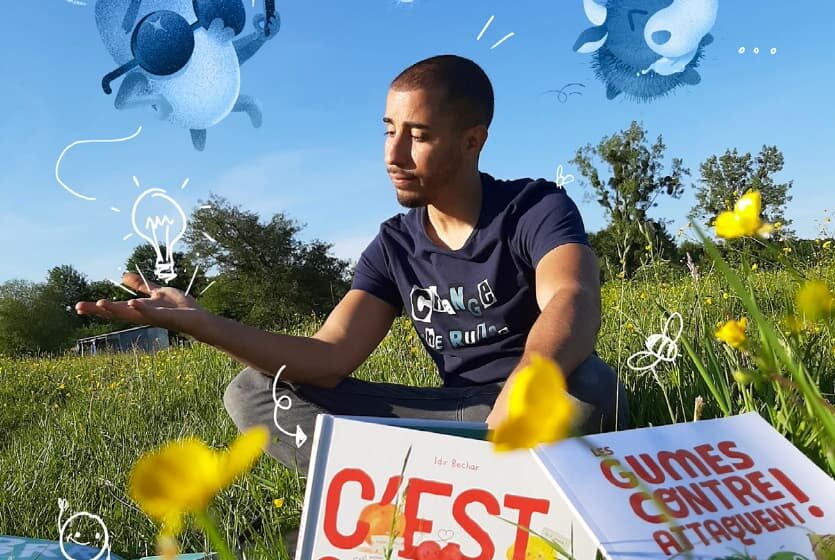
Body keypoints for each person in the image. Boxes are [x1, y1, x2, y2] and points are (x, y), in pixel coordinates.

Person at [76, 53, 628, 482]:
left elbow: (571, 299)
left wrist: (521, 398)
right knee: (254, 394)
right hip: (454, 414)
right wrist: (201, 322)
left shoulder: (534, 207)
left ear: (472, 141)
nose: (394, 154)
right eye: (389, 129)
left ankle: (453, 474)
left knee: (587, 381)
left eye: (420, 135)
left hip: (539, 396)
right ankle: (439, 483)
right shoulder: (393, 246)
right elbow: (328, 358)